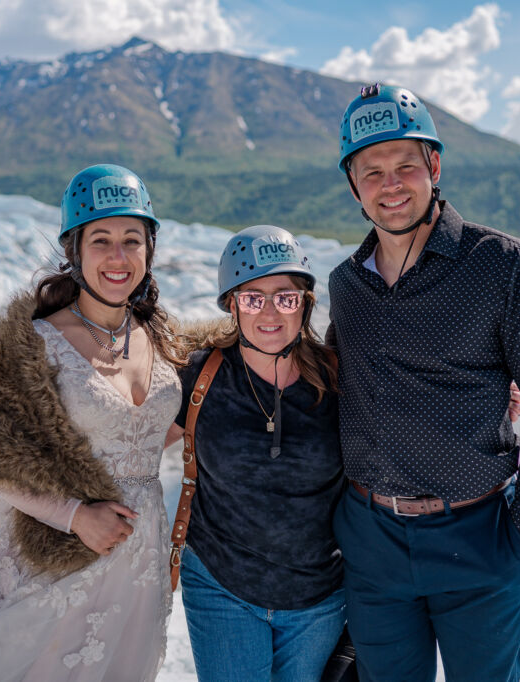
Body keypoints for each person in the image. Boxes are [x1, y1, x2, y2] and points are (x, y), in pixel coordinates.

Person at [0, 164, 184, 681]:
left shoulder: (161, 337)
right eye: (101, 240)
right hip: (50, 556)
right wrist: (75, 516)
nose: (118, 257)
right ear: (75, 250)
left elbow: (157, 429)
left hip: (138, 562)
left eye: (132, 240)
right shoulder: (37, 340)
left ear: (149, 250)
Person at [327, 83, 520, 681]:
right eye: (372, 172)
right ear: (353, 185)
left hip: (479, 539)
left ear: (434, 166)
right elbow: (332, 386)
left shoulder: (503, 264)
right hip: (372, 545)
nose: (391, 185)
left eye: (405, 167)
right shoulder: (346, 285)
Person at [165, 225, 347, 682]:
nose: (269, 312)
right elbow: (124, 445)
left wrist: (488, 404)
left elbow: (406, 418)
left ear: (305, 305)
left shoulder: (340, 379)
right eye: (252, 298)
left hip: (319, 597)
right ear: (231, 304)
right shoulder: (199, 377)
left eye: (285, 298)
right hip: (221, 585)